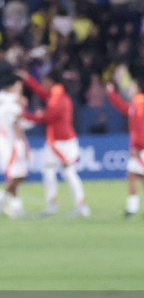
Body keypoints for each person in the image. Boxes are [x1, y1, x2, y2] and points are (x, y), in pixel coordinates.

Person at [15, 68, 90, 218]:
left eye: (45, 80)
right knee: (48, 171)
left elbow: (48, 117)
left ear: (51, 81)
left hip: (64, 142)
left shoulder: (59, 98)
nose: (43, 83)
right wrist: (28, 79)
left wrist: (27, 115)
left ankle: (81, 205)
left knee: (68, 172)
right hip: (54, 141)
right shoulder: (56, 94)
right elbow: (41, 93)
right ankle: (52, 204)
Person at [0, 74, 31, 218]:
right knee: (18, 176)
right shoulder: (13, 102)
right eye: (19, 85)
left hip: (3, 139)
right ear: (12, 86)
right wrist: (24, 144)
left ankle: (15, 207)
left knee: (16, 175)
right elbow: (17, 124)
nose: (21, 88)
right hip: (12, 142)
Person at [106, 80, 144, 216]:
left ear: (138, 88)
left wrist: (138, 146)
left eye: (132, 87)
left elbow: (141, 126)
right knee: (133, 175)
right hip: (140, 147)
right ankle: (132, 208)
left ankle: (132, 208)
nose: (129, 89)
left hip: (141, 148)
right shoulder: (135, 103)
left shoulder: (140, 102)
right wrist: (111, 93)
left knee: (133, 175)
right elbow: (123, 107)